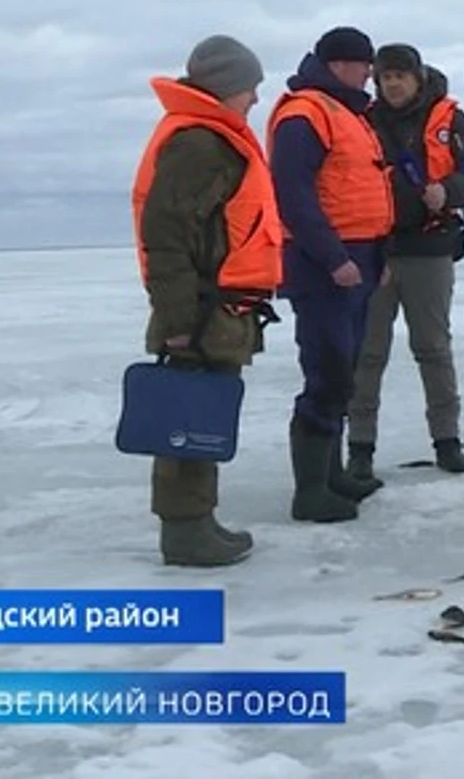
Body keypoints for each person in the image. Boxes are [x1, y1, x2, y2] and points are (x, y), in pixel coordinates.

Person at [131, 35, 283, 567]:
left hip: (217, 308)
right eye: (250, 89)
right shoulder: (198, 144)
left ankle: (199, 522)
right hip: (197, 309)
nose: (256, 100)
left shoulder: (214, 138)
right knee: (185, 419)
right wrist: (177, 318)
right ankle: (186, 532)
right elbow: (166, 236)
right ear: (225, 88)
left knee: (205, 416)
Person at [345, 43, 464, 481]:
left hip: (429, 250)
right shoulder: (362, 121)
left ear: (418, 77)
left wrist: (448, 191)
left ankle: (447, 441)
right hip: (374, 252)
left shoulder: (450, 119)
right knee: (366, 354)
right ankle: (360, 449)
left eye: (399, 76)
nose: (391, 84)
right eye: (384, 77)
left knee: (432, 349)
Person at [267, 26, 395, 524]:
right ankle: (310, 493)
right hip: (325, 268)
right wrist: (334, 258)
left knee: (347, 371)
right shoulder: (306, 115)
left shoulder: (349, 114)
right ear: (343, 64)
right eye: (366, 66)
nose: (371, 76)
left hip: (359, 260)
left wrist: (375, 260)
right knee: (327, 373)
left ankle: (334, 474)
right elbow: (293, 195)